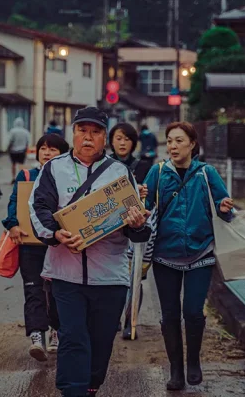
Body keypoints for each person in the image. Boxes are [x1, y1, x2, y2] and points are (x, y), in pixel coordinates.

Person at [29, 106, 151, 397]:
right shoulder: (53, 169)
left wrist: (136, 223)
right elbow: (39, 208)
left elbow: (136, 227)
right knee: (72, 337)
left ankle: (91, 387)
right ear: (73, 133)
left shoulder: (120, 173)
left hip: (110, 275)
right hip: (65, 275)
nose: (88, 137)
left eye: (95, 132)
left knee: (101, 340)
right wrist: (56, 233)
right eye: (82, 130)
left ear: (104, 139)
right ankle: (73, 391)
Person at [143, 122, 235, 390]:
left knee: (193, 312)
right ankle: (175, 370)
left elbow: (224, 209)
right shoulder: (157, 172)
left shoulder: (206, 173)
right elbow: (144, 210)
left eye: (179, 140)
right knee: (169, 314)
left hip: (200, 253)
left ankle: (193, 360)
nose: (172, 146)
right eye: (169, 140)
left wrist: (225, 207)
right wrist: (139, 200)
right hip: (164, 255)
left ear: (192, 144)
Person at [2, 133, 70, 362]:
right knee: (33, 290)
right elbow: (14, 202)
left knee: (57, 291)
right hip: (30, 245)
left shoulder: (69, 179)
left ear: (63, 154)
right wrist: (12, 225)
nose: (47, 153)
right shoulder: (27, 175)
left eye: (53, 149)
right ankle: (36, 336)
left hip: (58, 246)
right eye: (43, 149)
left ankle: (56, 331)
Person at [108, 123, 153, 340]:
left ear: (133, 142)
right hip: (110, 229)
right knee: (112, 276)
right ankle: (113, 317)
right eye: (118, 138)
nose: (122, 142)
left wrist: (144, 191)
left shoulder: (144, 166)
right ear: (111, 141)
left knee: (136, 275)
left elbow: (151, 199)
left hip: (136, 227)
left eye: (126, 139)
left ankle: (130, 320)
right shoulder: (103, 165)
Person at [7, 117, 32, 183]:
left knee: (13, 164)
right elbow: (28, 142)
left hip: (13, 151)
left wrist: (8, 148)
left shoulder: (12, 131)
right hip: (22, 151)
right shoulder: (26, 132)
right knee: (22, 165)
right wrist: (26, 149)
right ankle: (21, 178)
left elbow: (10, 141)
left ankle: (13, 178)